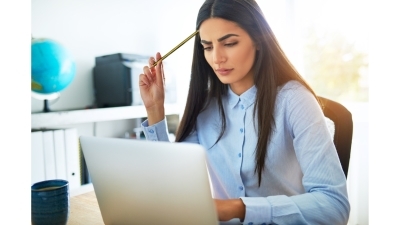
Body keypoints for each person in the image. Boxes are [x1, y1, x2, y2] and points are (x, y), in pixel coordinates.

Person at [139, 0, 350, 224]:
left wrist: (238, 208)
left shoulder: (294, 100)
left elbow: (334, 206)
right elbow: (174, 186)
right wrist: (155, 110)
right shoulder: (205, 107)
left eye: (229, 43)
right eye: (208, 47)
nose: (217, 58)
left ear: (258, 39)